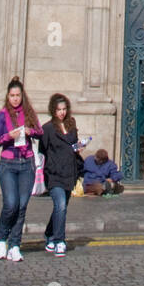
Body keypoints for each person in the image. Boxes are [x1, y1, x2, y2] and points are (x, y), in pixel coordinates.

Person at [0, 75, 43, 261]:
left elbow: (40, 131)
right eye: (12, 95)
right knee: (11, 204)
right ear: (7, 96)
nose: (15, 98)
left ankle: (15, 245)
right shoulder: (2, 115)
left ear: (22, 96)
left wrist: (31, 131)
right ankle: (1, 238)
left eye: (18, 95)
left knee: (22, 206)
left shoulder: (29, 113)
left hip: (26, 164)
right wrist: (8, 136)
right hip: (8, 165)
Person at [38, 94, 83, 256]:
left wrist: (78, 147)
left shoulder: (71, 124)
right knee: (61, 206)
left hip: (69, 172)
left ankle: (49, 234)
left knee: (60, 208)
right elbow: (42, 152)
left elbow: (73, 145)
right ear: (53, 110)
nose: (62, 113)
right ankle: (59, 241)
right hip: (54, 173)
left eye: (64, 109)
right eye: (58, 110)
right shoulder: (47, 128)